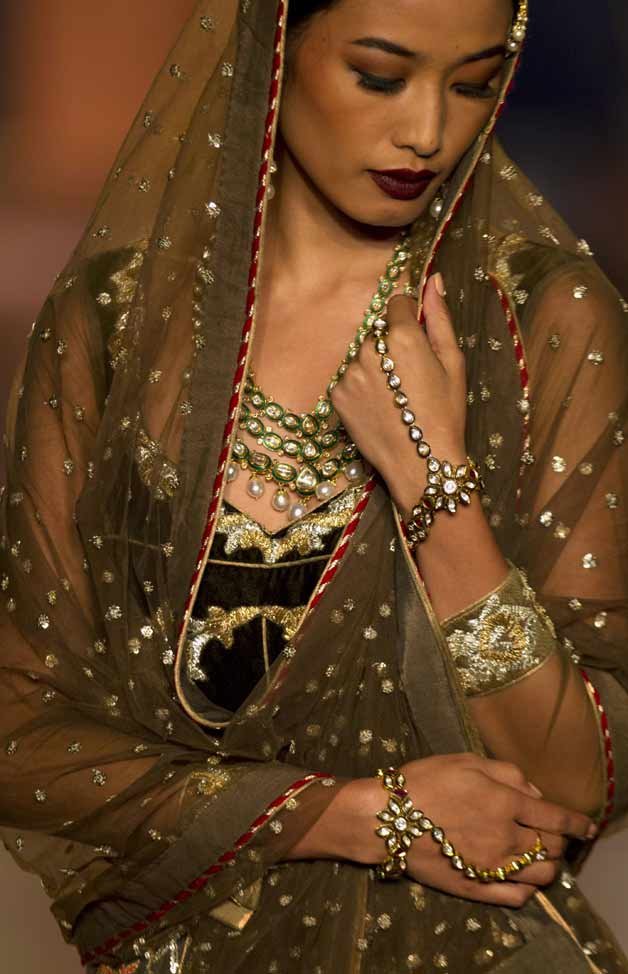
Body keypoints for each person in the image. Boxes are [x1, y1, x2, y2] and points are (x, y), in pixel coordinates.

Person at [1, 1, 627, 971]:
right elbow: (22, 732)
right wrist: (352, 812)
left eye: (471, 85)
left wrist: (432, 480)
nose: (427, 130)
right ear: (271, 50)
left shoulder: (535, 318)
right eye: (379, 76)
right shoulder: (118, 325)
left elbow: (570, 782)